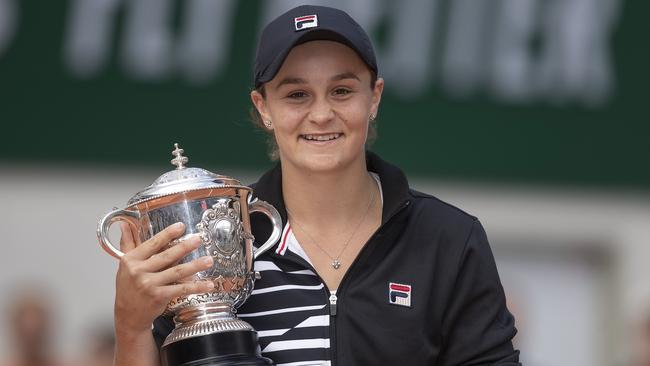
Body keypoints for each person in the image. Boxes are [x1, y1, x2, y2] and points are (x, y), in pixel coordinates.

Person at [112, 5, 520, 366]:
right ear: (263, 106)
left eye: (341, 91)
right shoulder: (215, 239)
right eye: (297, 94)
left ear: (373, 98)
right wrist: (131, 325)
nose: (321, 114)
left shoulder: (446, 238)